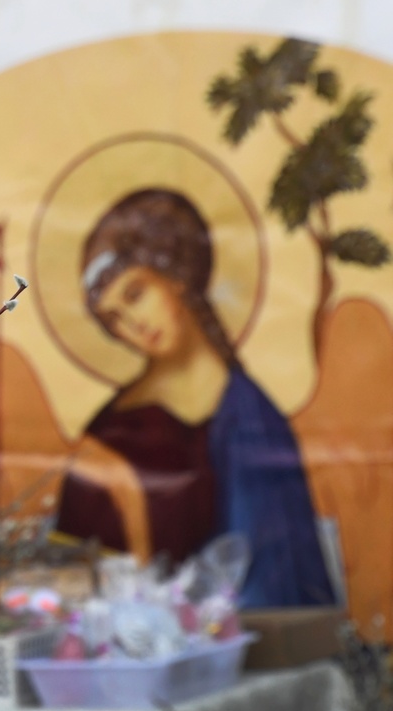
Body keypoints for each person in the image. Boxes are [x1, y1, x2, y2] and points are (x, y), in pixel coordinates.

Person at [55, 188, 335, 608]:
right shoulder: (109, 435)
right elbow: (73, 578)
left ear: (177, 276)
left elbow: (288, 576)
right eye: (114, 317)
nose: (134, 323)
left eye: (136, 294)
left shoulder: (254, 416)